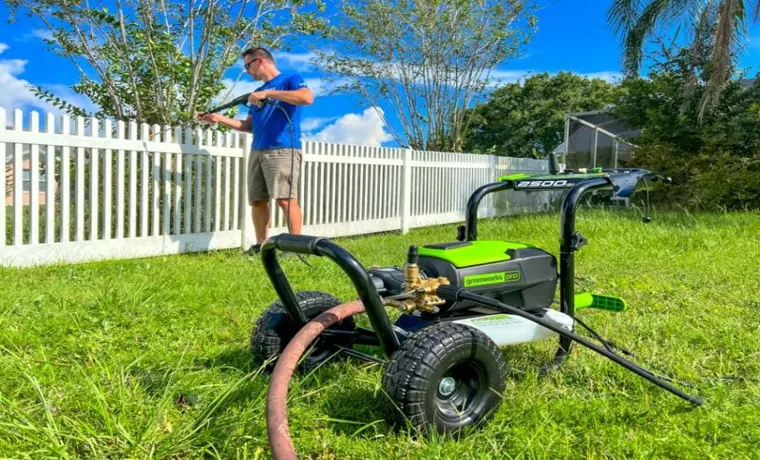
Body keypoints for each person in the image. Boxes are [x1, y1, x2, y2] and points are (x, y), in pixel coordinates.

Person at [198, 47, 314, 255]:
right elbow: (248, 126)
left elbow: (306, 98)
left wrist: (268, 92)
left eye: (247, 66)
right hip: (258, 149)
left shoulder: (290, 79)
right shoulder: (256, 95)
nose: (247, 71)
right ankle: (262, 246)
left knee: (284, 199)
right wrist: (219, 119)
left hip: (283, 148)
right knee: (258, 200)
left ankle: (297, 247)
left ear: (260, 61)